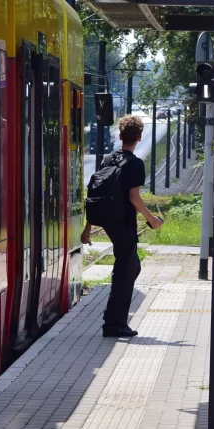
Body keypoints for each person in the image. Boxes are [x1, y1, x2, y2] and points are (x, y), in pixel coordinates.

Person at [81, 114, 163, 337]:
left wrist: (88, 227)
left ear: (120, 136)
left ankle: (113, 317)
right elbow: (134, 197)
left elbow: (97, 193)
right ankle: (114, 323)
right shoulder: (135, 164)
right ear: (139, 137)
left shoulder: (108, 159)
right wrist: (151, 218)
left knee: (131, 267)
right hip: (123, 222)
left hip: (108, 221)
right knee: (125, 271)